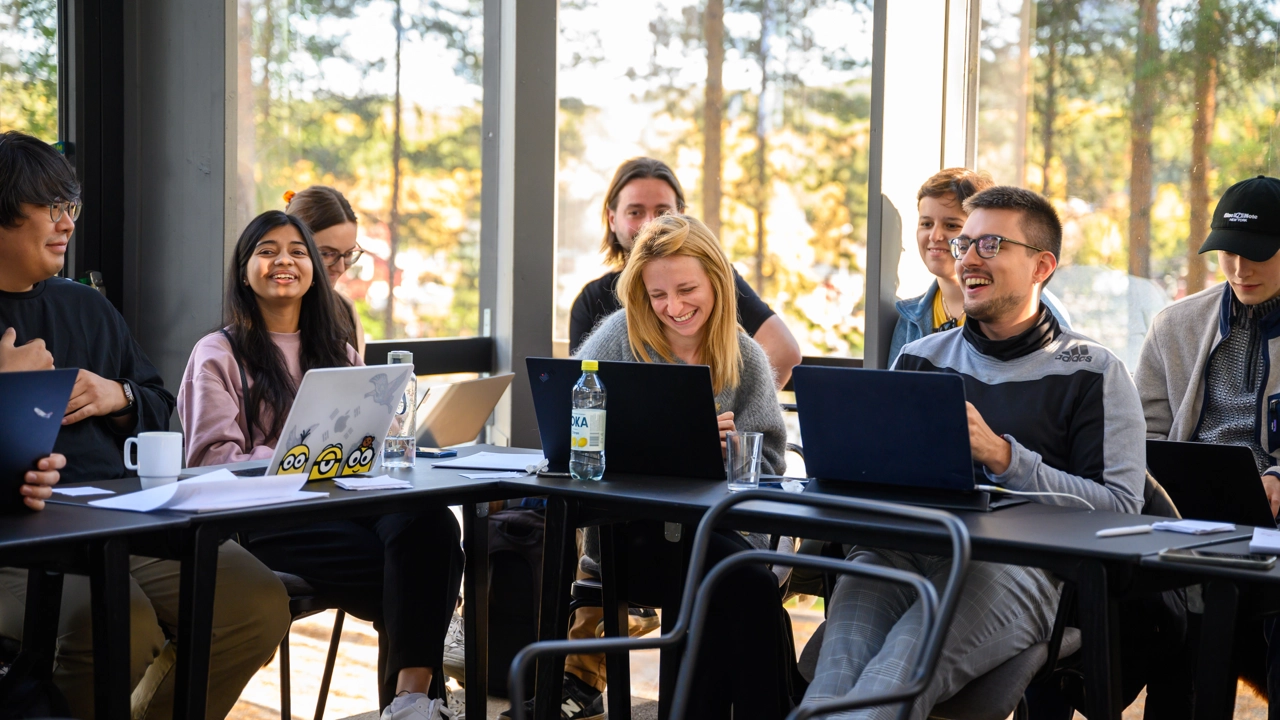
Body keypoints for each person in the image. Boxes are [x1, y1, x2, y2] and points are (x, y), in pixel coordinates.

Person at [803, 186, 1146, 719]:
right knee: (832, 683)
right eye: (965, 244)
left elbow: (1122, 511)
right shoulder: (921, 357)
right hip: (900, 553)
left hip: (1019, 568)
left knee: (895, 678)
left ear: (1041, 266)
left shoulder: (1094, 371)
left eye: (990, 244)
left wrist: (1005, 459)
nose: (967, 258)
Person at [0, 129, 290, 720]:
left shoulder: (85, 306)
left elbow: (165, 413)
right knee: (119, 626)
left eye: (71, 207)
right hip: (19, 537)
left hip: (121, 517)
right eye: (52, 207)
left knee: (255, 603)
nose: (67, 223)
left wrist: (120, 395)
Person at [178, 210, 463, 720]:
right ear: (244, 270)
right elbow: (209, 462)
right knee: (421, 571)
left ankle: (408, 702)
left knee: (433, 523)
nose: (283, 260)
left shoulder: (336, 347)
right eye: (266, 251)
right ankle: (417, 704)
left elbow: (366, 439)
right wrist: (291, 458)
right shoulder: (216, 353)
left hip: (345, 498)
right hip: (267, 517)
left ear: (312, 268)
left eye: (297, 251)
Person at [513, 214, 797, 719]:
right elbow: (571, 439)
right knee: (741, 585)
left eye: (687, 289)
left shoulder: (746, 356)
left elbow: (768, 467)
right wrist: (673, 441)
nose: (674, 307)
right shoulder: (618, 338)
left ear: (718, 281)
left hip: (717, 533)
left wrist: (722, 453)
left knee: (737, 580)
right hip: (628, 539)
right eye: (658, 295)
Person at [1134, 175, 1280, 717]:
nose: (1241, 269)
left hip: (1275, 522)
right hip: (1186, 516)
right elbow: (1143, 431)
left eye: (1259, 255)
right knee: (1178, 634)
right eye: (1228, 253)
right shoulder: (1176, 324)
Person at [569, 157, 802, 386]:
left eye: (663, 212)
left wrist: (720, 411)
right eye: (635, 212)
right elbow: (580, 389)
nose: (650, 223)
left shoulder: (714, 278)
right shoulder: (592, 302)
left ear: (680, 214)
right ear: (612, 219)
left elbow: (784, 350)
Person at [888, 167, 1071, 365]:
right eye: (926, 224)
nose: (935, 236)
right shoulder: (910, 318)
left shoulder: (1038, 311)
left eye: (951, 226)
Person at [285, 185, 367, 355]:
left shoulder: (346, 311)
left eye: (349, 254)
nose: (340, 267)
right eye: (327, 254)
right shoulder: (271, 312)